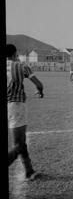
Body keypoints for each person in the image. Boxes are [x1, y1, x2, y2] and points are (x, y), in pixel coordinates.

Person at [7, 44, 44, 181]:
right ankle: (29, 171)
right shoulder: (21, 66)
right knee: (19, 144)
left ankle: (29, 171)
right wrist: (40, 92)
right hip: (15, 106)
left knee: (20, 142)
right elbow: (39, 85)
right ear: (15, 54)